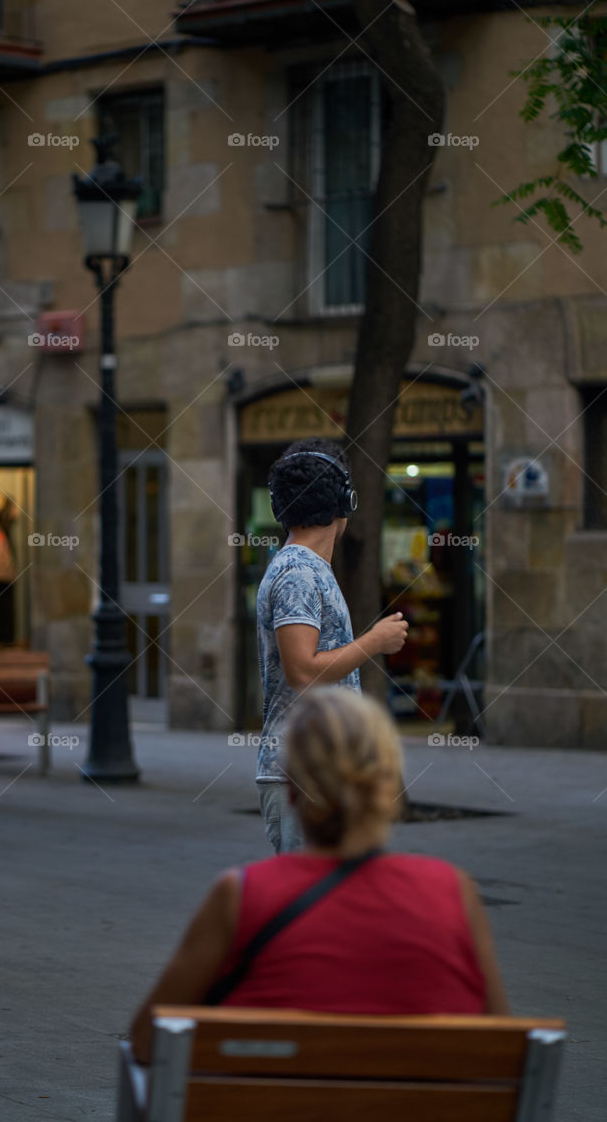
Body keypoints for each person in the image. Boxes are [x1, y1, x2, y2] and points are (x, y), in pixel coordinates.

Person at [129, 686, 509, 1064]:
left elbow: (146, 1041)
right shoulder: (454, 893)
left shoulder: (241, 896)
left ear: (292, 790)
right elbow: (501, 1049)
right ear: (391, 786)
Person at [257, 437, 408, 853]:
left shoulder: (306, 568)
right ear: (346, 501)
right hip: (303, 775)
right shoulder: (298, 573)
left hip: (318, 772)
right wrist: (375, 641)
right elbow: (302, 671)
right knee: (311, 909)